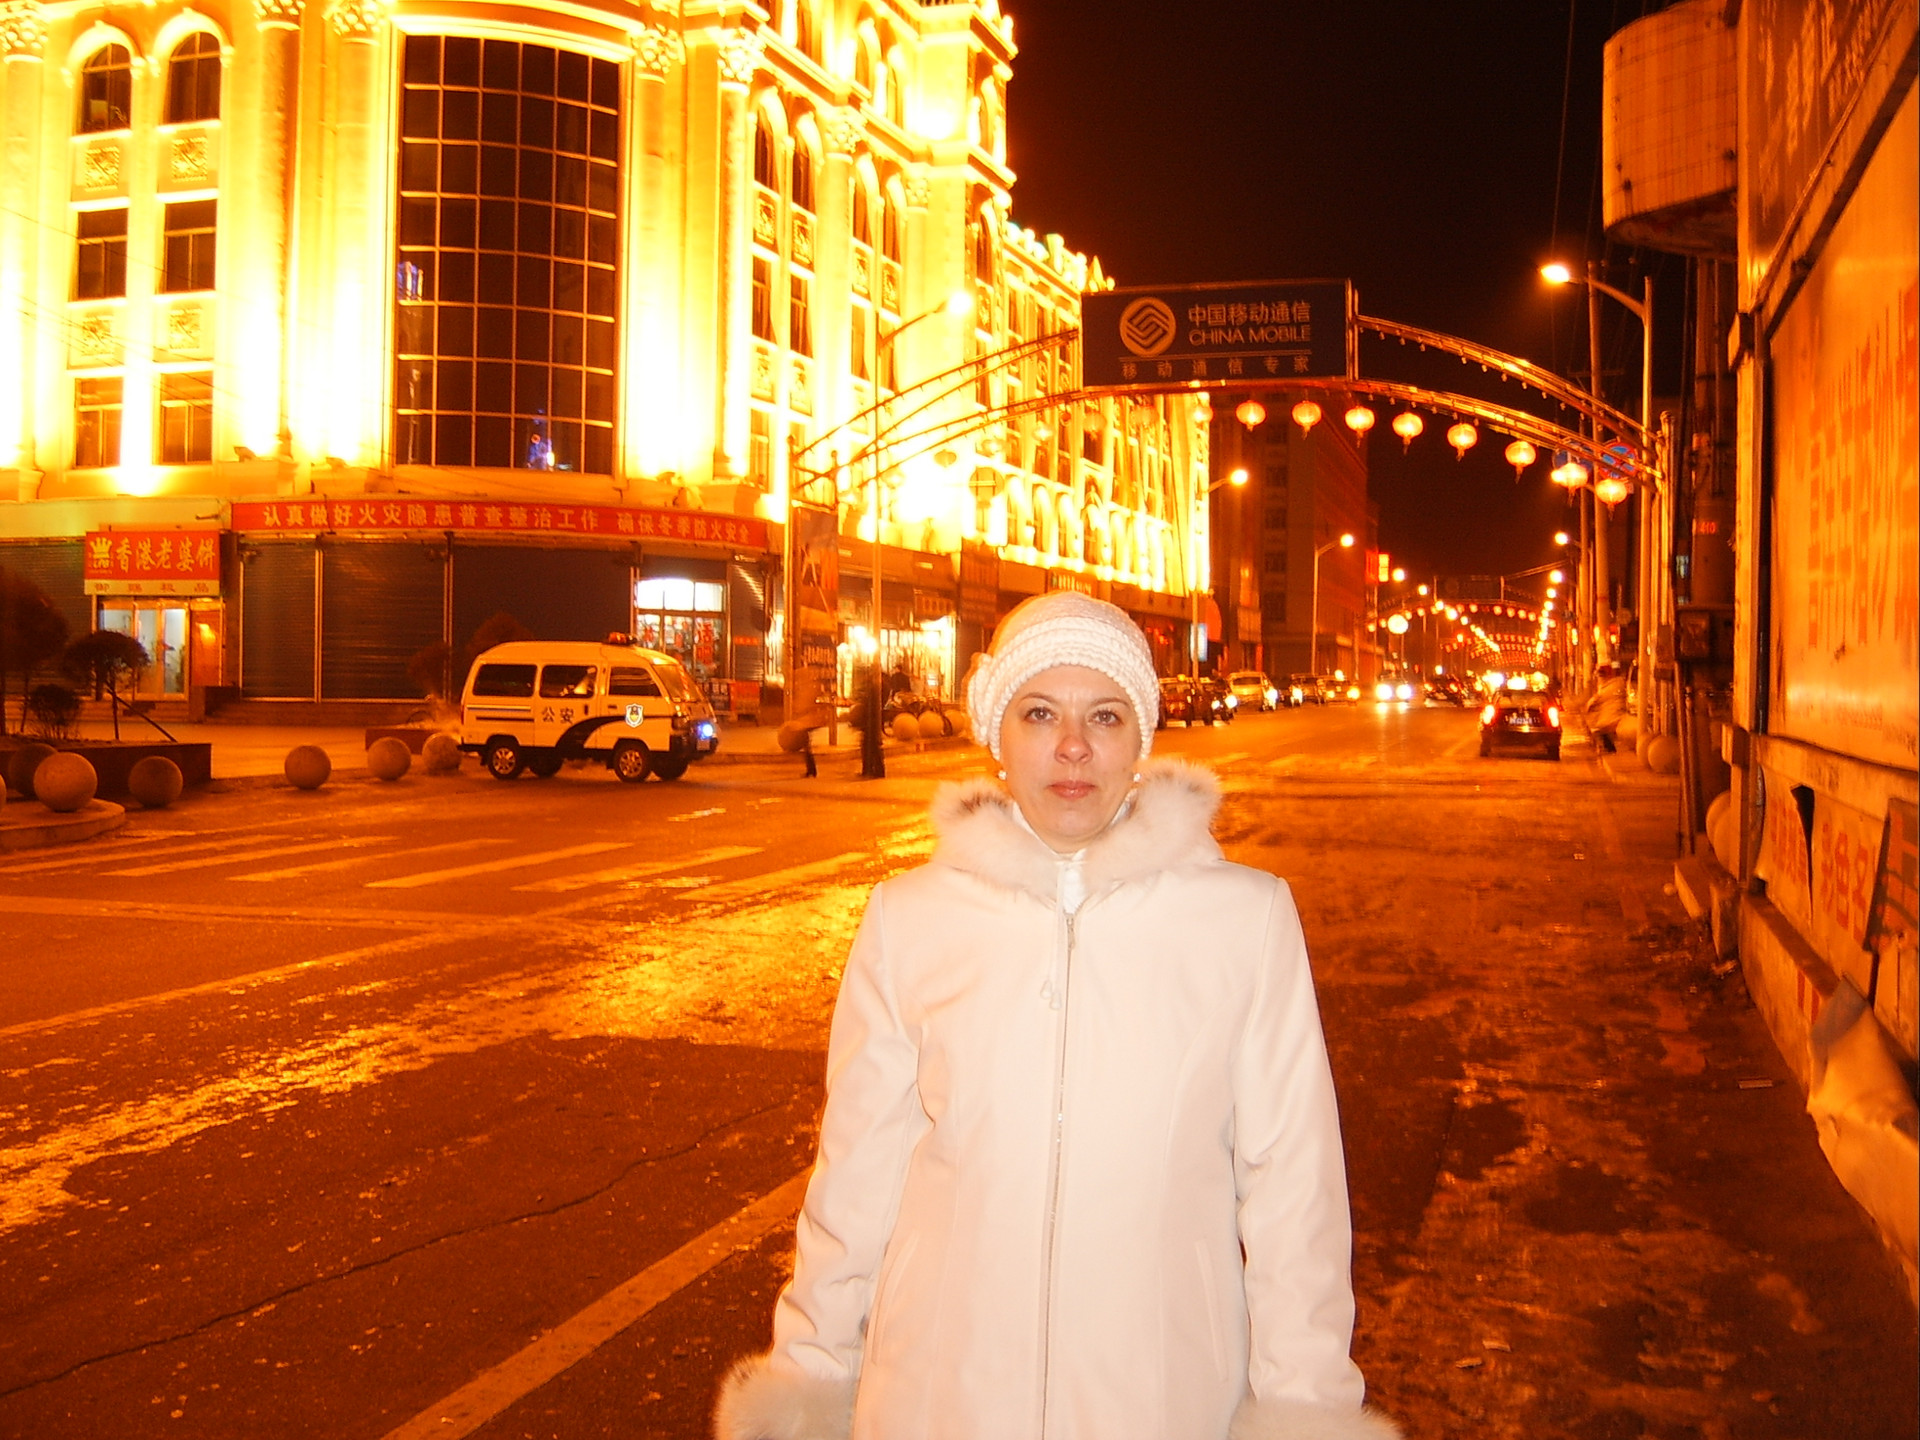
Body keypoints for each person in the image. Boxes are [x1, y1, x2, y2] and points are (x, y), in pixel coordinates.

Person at [714, 591, 1396, 1440]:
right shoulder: (909, 918)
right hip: (936, 1394)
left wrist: (1306, 1409)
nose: (1073, 745)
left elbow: (1295, 1194)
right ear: (997, 735)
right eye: (1039, 713)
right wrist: (810, 1377)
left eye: (1104, 715)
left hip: (1164, 1395)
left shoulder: (1244, 921)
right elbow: (856, 1176)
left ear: (1140, 738)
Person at [1586, 662, 1627, 753]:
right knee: (1601, 730)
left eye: (1601, 675)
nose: (1600, 678)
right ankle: (1609, 749)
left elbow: (1599, 698)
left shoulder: (1610, 686)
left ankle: (1609, 749)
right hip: (1611, 715)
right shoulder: (1612, 684)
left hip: (1612, 717)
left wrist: (1590, 705)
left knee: (1600, 730)